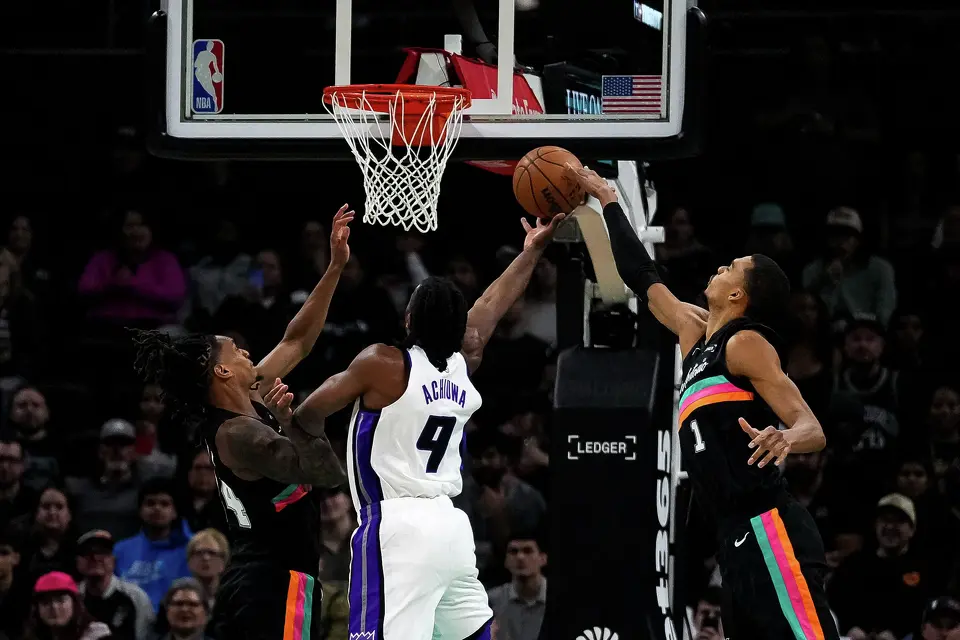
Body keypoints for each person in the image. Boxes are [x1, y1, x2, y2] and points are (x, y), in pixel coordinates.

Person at [566, 165, 839, 639]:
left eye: (730, 267)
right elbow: (641, 275)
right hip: (732, 536)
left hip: (770, 526)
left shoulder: (745, 343)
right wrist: (607, 198)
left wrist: (785, 436)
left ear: (738, 294)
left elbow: (812, 427)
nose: (719, 267)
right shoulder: (694, 333)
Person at [266, 213, 564, 640]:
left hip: (398, 527)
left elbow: (310, 415)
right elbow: (490, 307)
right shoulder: (464, 364)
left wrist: (286, 420)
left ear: (408, 318)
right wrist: (532, 250)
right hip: (451, 526)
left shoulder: (383, 364)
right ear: (461, 330)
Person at [129, 207, 354, 640]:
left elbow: (297, 339)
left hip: (257, 579)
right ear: (223, 373)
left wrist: (334, 266)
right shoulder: (240, 434)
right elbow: (326, 472)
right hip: (276, 581)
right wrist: (292, 422)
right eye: (235, 350)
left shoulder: (247, 400)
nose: (247, 351)